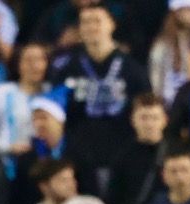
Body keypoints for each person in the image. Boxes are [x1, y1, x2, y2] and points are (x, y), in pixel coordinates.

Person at [49, 4, 150, 192]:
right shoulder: (66, 69)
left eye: (97, 21)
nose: (91, 27)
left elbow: (145, 108)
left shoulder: (132, 69)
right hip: (78, 158)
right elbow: (54, 113)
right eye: (85, 22)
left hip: (122, 155)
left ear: (112, 25)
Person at [0, 42, 52, 161]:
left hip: (45, 165)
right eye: (28, 60)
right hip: (5, 165)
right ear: (18, 64)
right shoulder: (3, 92)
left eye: (39, 60)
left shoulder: (53, 94)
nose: (34, 66)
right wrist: (6, 148)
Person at [112, 92, 169, 204]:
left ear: (165, 120)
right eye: (144, 118)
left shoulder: (174, 154)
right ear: (133, 120)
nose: (149, 124)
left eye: (155, 118)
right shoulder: (122, 157)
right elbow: (114, 198)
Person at [150, 0, 190, 105]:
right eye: (185, 9)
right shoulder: (163, 45)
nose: (189, 14)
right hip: (169, 101)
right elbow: (156, 79)